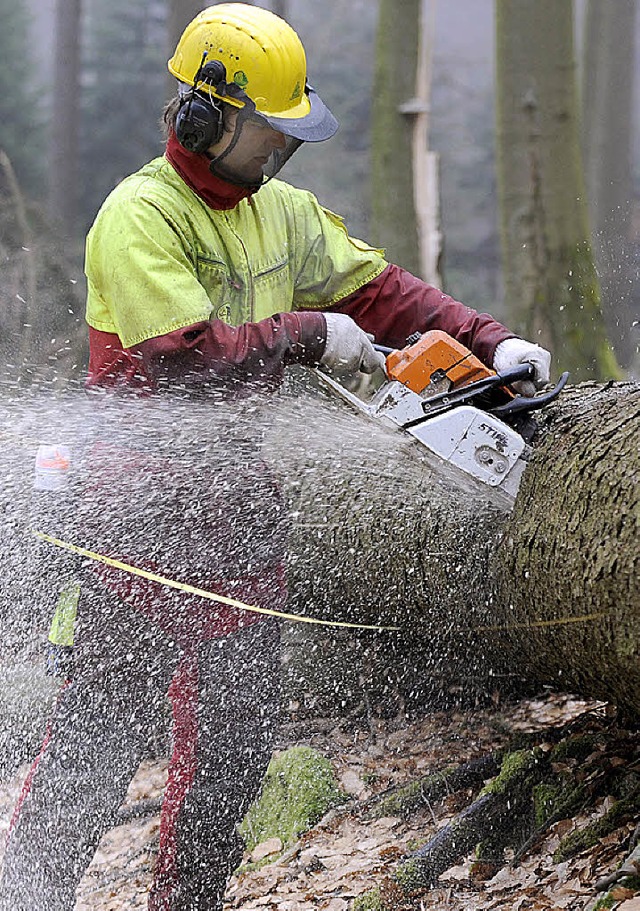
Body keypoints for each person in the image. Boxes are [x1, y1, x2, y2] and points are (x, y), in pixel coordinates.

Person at [0, 5, 551, 911]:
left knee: (233, 748)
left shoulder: (281, 213)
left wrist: (492, 343)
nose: (280, 154)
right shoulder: (139, 216)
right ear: (204, 116)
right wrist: (307, 332)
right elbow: (181, 359)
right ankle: (27, 893)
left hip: (236, 509)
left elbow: (382, 293)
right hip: (133, 517)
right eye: (266, 133)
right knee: (98, 742)